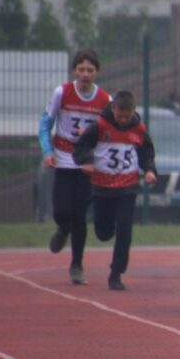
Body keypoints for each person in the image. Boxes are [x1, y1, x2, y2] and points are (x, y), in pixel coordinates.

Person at [38, 49, 111, 284]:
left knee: (80, 214)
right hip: (62, 158)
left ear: (97, 72)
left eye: (90, 70)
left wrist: (91, 136)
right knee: (61, 211)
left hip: (86, 163)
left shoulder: (105, 100)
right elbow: (45, 124)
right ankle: (63, 228)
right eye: (81, 70)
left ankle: (77, 265)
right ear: (74, 71)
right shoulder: (62, 92)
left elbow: (109, 135)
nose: (85, 74)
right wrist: (48, 152)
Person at [72, 90, 157, 291]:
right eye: (120, 116)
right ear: (113, 109)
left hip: (127, 186)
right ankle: (105, 230)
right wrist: (86, 161)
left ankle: (116, 273)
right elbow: (82, 146)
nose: (123, 120)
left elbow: (147, 152)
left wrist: (150, 170)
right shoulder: (100, 126)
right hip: (102, 187)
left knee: (125, 229)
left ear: (133, 111)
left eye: (127, 117)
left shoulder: (139, 130)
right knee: (103, 232)